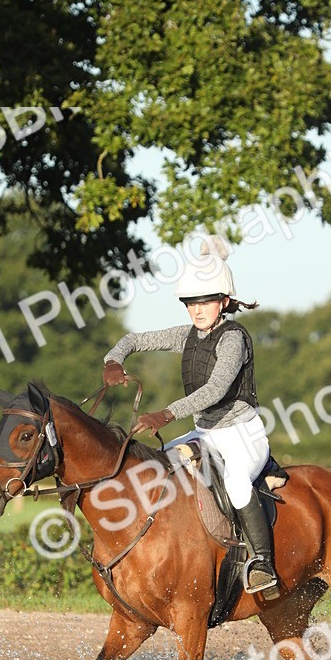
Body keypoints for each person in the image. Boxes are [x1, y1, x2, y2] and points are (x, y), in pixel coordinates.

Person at [102, 244, 279, 594]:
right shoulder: (187, 336)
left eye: (205, 302)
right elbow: (133, 339)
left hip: (243, 435)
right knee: (156, 469)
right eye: (191, 303)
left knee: (237, 484)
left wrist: (166, 413)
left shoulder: (234, 339)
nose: (197, 310)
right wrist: (113, 360)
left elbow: (215, 390)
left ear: (224, 302)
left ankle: (263, 563)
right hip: (205, 434)